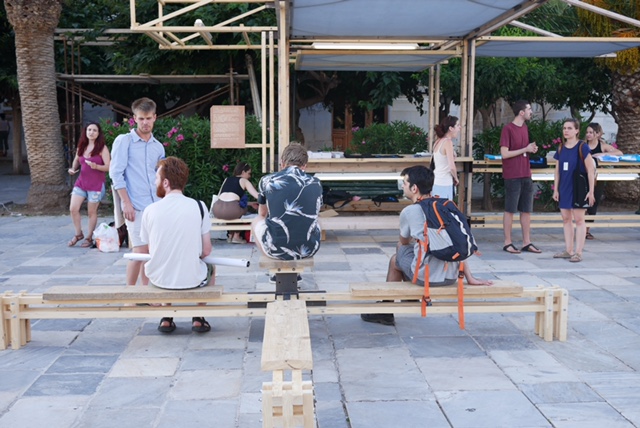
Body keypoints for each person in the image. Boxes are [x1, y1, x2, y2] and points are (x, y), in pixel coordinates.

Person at [361, 165, 493, 326]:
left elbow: (404, 242)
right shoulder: (445, 206)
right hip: (451, 276)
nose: (403, 186)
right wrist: (470, 278)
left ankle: (386, 310)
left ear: (414, 188)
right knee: (415, 250)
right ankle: (410, 298)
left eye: (405, 183)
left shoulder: (410, 211)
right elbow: (457, 242)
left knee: (397, 256)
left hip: (426, 278)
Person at [141, 157, 213, 333]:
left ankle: (167, 317)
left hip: (159, 279)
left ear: (165, 183)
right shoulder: (199, 206)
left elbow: (150, 249)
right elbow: (206, 250)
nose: (155, 182)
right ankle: (198, 317)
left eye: (157, 179)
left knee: (163, 258)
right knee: (211, 266)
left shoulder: (150, 210)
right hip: (192, 279)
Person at [109, 98, 165, 286]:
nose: (145, 122)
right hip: (135, 205)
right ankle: (129, 293)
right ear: (134, 118)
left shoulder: (158, 146)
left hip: (156, 205)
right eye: (141, 118)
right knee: (139, 252)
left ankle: (146, 291)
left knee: (152, 252)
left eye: (148, 118)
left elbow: (160, 177)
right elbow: (116, 174)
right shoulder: (124, 141)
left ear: (154, 117)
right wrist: (126, 203)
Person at [251, 143, 322, 262]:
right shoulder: (316, 183)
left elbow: (262, 214)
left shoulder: (267, 181)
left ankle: (272, 261)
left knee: (256, 220)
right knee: (317, 221)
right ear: (304, 166)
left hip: (276, 249)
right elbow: (314, 213)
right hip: (309, 249)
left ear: (282, 163)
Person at [499, 99, 542, 254]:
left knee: (526, 210)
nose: (531, 112)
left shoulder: (525, 128)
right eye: (529, 109)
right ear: (521, 112)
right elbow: (504, 153)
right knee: (510, 209)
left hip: (526, 173)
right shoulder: (508, 129)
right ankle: (507, 242)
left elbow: (524, 150)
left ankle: (526, 242)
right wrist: (525, 149)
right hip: (513, 175)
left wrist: (531, 149)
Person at [552, 118, 596, 263]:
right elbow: (557, 171)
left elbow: (590, 170)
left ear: (577, 130)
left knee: (579, 219)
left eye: (570, 128)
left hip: (578, 188)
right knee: (566, 219)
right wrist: (556, 189)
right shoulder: (560, 148)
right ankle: (569, 250)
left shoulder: (582, 147)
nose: (566, 131)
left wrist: (591, 191)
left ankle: (578, 252)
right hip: (564, 187)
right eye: (565, 128)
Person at [67, 123, 111, 247]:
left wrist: (96, 166)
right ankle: (78, 234)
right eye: (89, 130)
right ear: (85, 132)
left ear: (98, 133)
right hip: (81, 183)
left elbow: (108, 167)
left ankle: (89, 237)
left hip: (96, 185)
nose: (91, 132)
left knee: (91, 212)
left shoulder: (102, 148)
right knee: (73, 209)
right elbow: (77, 160)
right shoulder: (82, 146)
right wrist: (73, 169)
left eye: (94, 130)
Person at [584, 122, 622, 240]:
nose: (588, 135)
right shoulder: (583, 145)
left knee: (593, 204)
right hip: (583, 177)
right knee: (583, 204)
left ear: (597, 134)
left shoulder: (602, 145)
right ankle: (582, 229)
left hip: (597, 178)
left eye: (591, 132)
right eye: (587, 132)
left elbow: (619, 153)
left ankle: (587, 230)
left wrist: (602, 154)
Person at [212, 161, 260, 244]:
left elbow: (221, 197)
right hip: (232, 210)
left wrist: (251, 203)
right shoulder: (244, 181)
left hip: (217, 209)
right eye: (249, 173)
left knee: (233, 209)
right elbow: (257, 196)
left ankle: (230, 235)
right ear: (243, 172)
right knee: (241, 209)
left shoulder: (227, 179)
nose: (249, 176)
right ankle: (236, 236)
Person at [431, 115, 460, 200]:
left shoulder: (438, 142)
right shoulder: (448, 142)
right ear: (451, 128)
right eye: (457, 125)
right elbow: (451, 166)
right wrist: (456, 178)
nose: (459, 128)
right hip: (445, 182)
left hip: (436, 180)